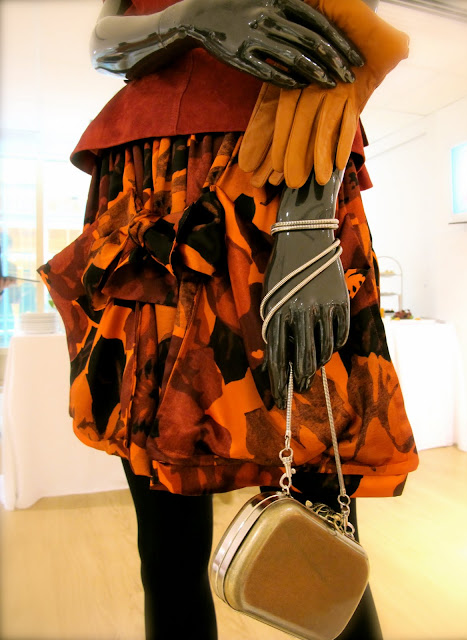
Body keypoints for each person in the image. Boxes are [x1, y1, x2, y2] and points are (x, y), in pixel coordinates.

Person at [39, 1, 419, 638]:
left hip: (281, 171)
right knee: (166, 553)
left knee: (320, 537)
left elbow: (344, 38)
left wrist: (308, 217)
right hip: (148, 192)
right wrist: (193, 16)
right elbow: (105, 42)